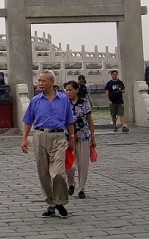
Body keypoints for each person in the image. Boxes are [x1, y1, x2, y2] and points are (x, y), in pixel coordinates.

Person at [21, 71, 75, 218]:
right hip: (40, 135)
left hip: (58, 136)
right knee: (43, 173)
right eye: (39, 80)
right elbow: (28, 121)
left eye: (43, 81)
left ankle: (60, 201)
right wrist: (24, 139)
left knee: (58, 173)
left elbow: (69, 120)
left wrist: (72, 137)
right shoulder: (36, 100)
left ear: (51, 82)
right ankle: (50, 204)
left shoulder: (63, 99)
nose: (40, 83)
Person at [64, 81, 96, 199]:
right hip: (67, 137)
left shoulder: (84, 103)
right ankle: (71, 183)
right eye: (66, 90)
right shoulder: (64, 103)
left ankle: (81, 188)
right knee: (70, 164)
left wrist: (93, 137)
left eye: (70, 90)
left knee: (83, 164)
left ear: (76, 90)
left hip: (83, 136)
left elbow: (89, 119)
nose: (68, 92)